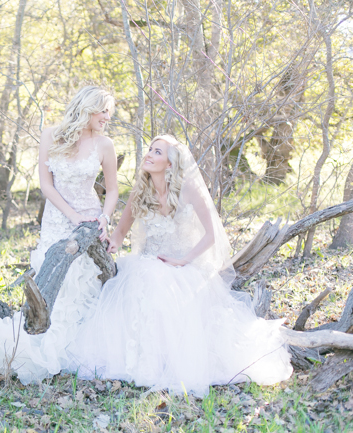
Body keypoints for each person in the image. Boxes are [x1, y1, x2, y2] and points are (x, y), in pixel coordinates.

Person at [0, 86, 119, 390]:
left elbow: (113, 190)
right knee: (51, 276)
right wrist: (71, 215)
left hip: (89, 220)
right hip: (57, 219)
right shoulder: (51, 135)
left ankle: (79, 347)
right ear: (86, 108)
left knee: (82, 283)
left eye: (110, 111)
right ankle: (42, 337)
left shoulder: (105, 145)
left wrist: (103, 218)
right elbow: (45, 185)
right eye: (103, 110)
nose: (108, 117)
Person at [68, 135, 293, 396]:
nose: (149, 154)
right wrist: (110, 243)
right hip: (146, 264)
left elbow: (211, 236)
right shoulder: (140, 193)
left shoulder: (189, 190)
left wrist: (184, 260)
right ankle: (142, 361)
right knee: (145, 282)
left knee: (163, 288)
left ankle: (167, 361)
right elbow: (120, 233)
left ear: (170, 164)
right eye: (150, 149)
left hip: (184, 268)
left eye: (157, 152)